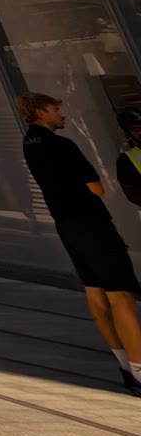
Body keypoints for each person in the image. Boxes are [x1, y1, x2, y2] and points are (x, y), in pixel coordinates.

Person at [20, 93, 141, 394]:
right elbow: (96, 188)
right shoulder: (62, 145)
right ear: (40, 112)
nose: (61, 114)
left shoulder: (28, 144)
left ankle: (125, 368)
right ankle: (140, 371)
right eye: (55, 109)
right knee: (121, 298)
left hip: (68, 227)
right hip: (93, 225)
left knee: (96, 296)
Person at [118, 106, 141, 208]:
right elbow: (133, 195)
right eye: (134, 129)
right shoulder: (125, 161)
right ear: (128, 133)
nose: (139, 132)